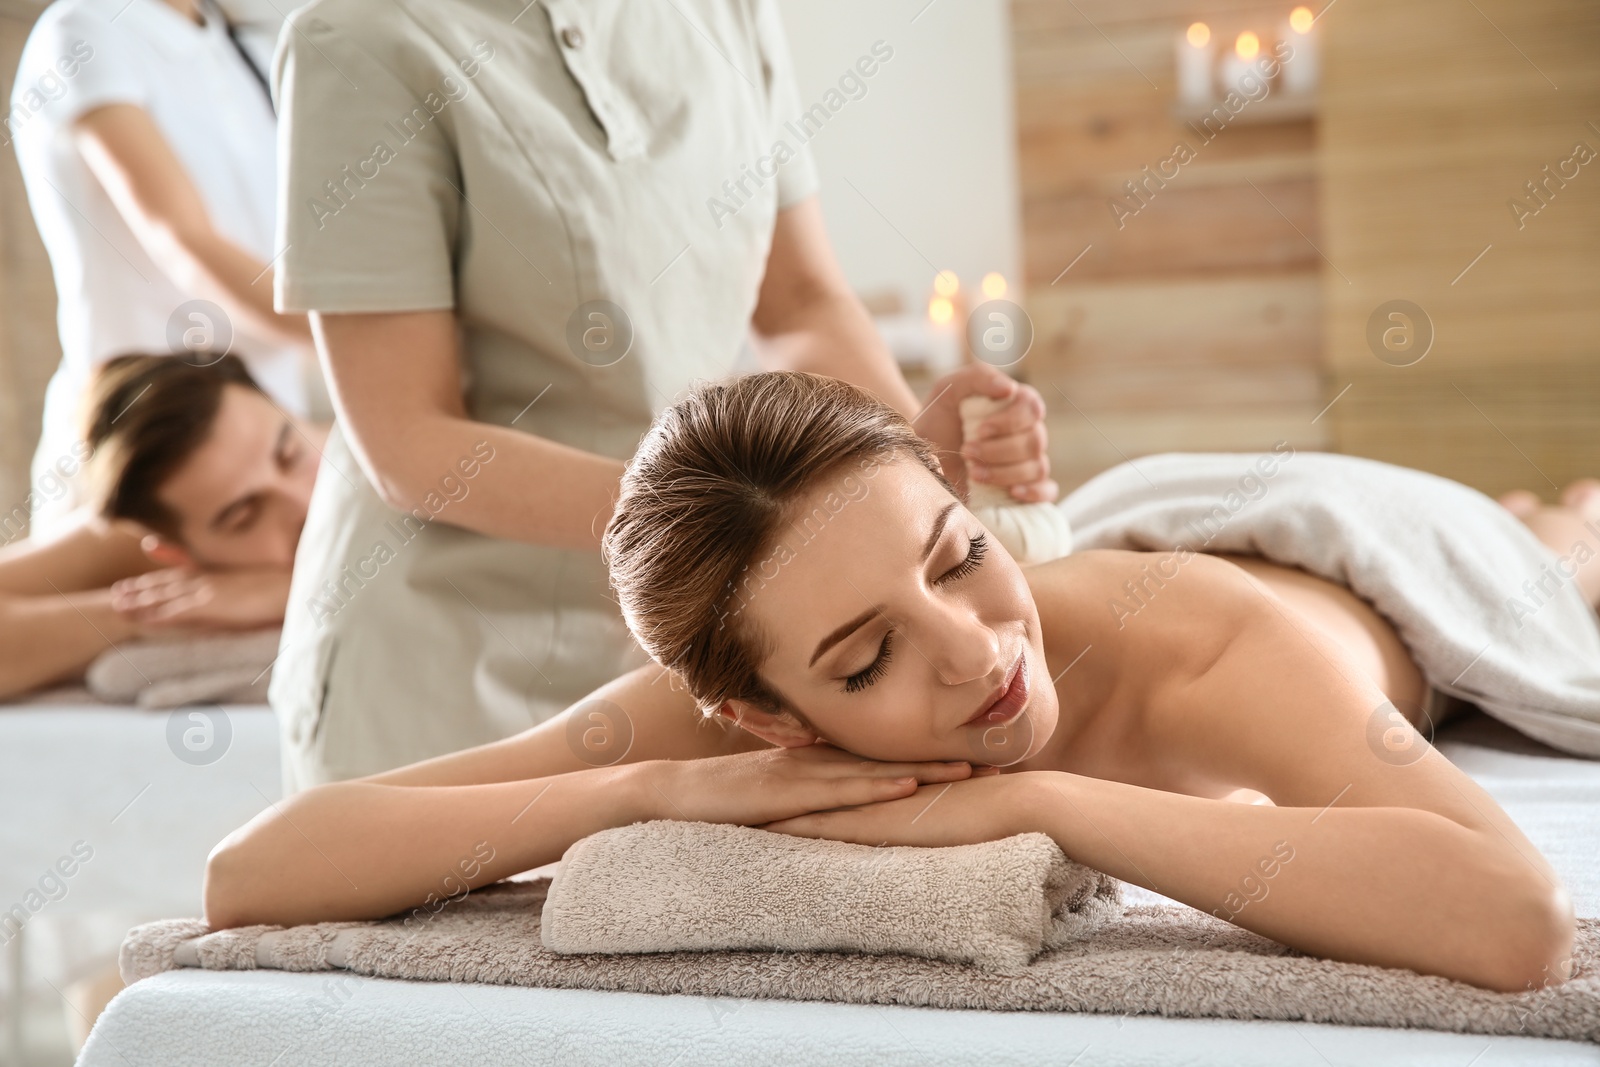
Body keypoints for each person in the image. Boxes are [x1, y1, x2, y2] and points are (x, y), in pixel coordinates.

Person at [204, 371, 1593, 994]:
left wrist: (1049, 803)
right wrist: (640, 786)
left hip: (1356, 551)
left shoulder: (1209, 647)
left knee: (1553, 543)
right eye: (864, 658)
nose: (976, 649)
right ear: (765, 712)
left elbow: (1514, 918)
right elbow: (254, 871)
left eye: (958, 555)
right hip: (1138, 527)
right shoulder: (718, 716)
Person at [265, 0, 1053, 790]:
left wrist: (914, 471)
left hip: (698, 630)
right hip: (441, 652)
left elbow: (802, 303)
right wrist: (741, 535)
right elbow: (410, 440)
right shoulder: (358, 38)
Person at [9, 0, 314, 539]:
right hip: (147, 442)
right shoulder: (84, 27)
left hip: (265, 440)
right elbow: (182, 239)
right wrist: (372, 341)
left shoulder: (246, 48)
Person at [0, 354, 323, 699]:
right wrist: (147, 614)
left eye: (290, 454)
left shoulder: (375, 444)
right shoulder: (127, 541)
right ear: (176, 554)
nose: (305, 501)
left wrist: (290, 592)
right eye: (244, 517)